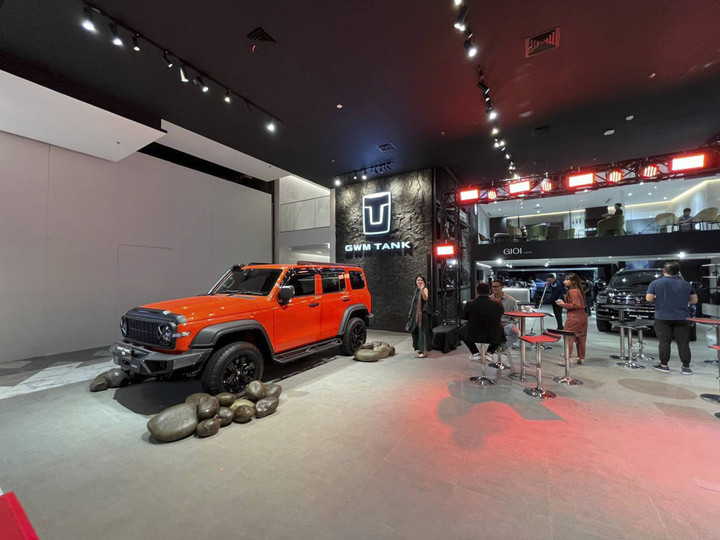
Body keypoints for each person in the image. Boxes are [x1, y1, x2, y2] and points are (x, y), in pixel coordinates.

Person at [646, 261, 698, 374]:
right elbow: (694, 300)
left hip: (662, 317)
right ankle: (686, 367)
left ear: (664, 271)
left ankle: (664, 365)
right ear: (677, 272)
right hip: (682, 318)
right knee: (683, 343)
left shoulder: (655, 283)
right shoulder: (686, 284)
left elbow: (649, 298)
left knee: (664, 342)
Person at [460, 282, 505, 361]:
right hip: (493, 334)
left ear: (477, 292)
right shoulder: (498, 303)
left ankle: (475, 352)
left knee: (461, 331)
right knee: (501, 332)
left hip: (474, 334)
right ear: (489, 291)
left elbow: (465, 317)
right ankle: (490, 352)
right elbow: (501, 314)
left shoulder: (469, 303)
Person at [555, 273, 589, 364]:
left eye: (567, 280)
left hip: (574, 316)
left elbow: (576, 305)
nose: (564, 281)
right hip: (583, 316)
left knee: (568, 336)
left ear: (573, 281)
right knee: (581, 337)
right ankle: (581, 357)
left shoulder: (572, 291)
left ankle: (568, 358)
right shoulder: (578, 290)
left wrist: (563, 304)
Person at [406, 275, 433, 358]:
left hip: (423, 314)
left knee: (422, 333)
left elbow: (425, 298)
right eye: (418, 280)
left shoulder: (425, 289)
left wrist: (421, 289)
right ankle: (420, 349)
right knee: (416, 332)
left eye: (421, 280)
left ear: (424, 281)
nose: (419, 281)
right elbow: (414, 304)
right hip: (416, 314)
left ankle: (424, 352)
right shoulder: (416, 290)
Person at [491, 279, 521, 350]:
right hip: (492, 324)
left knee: (516, 332)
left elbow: (515, 315)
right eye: (492, 286)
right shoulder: (489, 299)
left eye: (496, 286)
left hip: (506, 323)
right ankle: (495, 348)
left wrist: (515, 315)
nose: (494, 288)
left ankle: (503, 347)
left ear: (502, 287)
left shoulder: (511, 300)